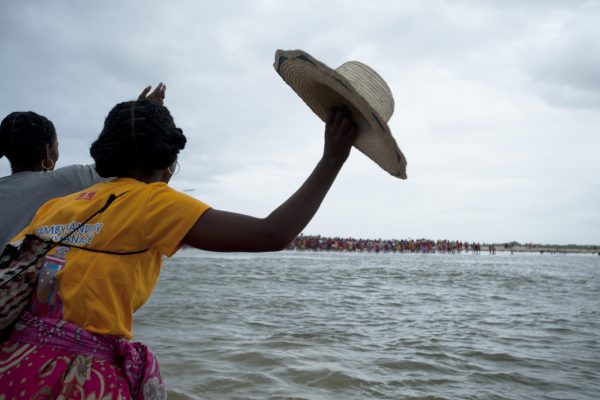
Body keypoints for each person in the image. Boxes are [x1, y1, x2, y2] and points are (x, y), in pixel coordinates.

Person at [0, 97, 358, 399]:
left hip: (13, 363)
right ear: (168, 160)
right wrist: (332, 160)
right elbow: (273, 233)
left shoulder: (61, 205)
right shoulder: (154, 202)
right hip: (75, 378)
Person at [0, 84, 167, 249]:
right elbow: (119, 162)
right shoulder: (65, 181)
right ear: (47, 151)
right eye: (56, 145)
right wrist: (139, 116)